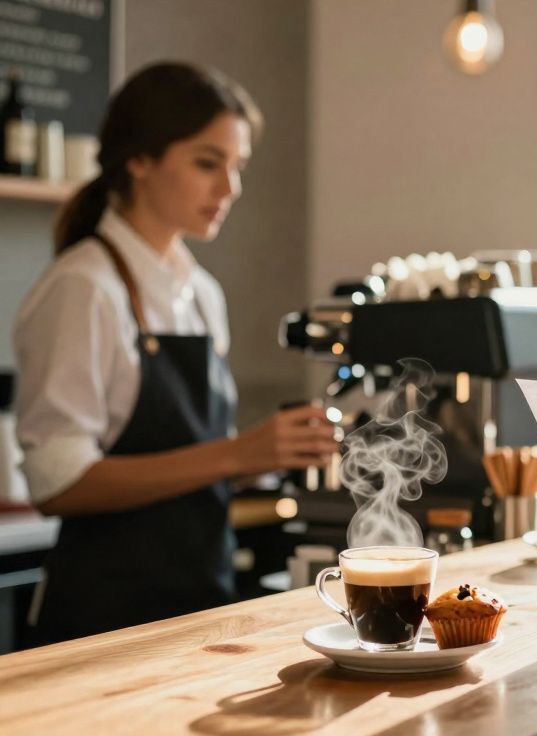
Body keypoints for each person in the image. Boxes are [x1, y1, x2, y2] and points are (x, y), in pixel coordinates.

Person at [13, 62, 339, 643]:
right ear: (138, 159)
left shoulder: (201, 295)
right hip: (101, 626)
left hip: (195, 611)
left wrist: (265, 460)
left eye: (237, 168)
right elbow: (58, 482)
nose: (229, 189)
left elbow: (190, 467)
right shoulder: (83, 288)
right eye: (207, 163)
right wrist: (234, 455)